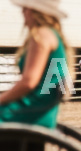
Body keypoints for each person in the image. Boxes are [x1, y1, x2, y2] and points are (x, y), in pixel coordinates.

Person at [0, 0, 72, 129]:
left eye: (26, 8)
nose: (22, 12)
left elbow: (28, 82)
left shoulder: (40, 35)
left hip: (29, 110)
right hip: (44, 111)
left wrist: (1, 99)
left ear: (36, 12)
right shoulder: (54, 35)